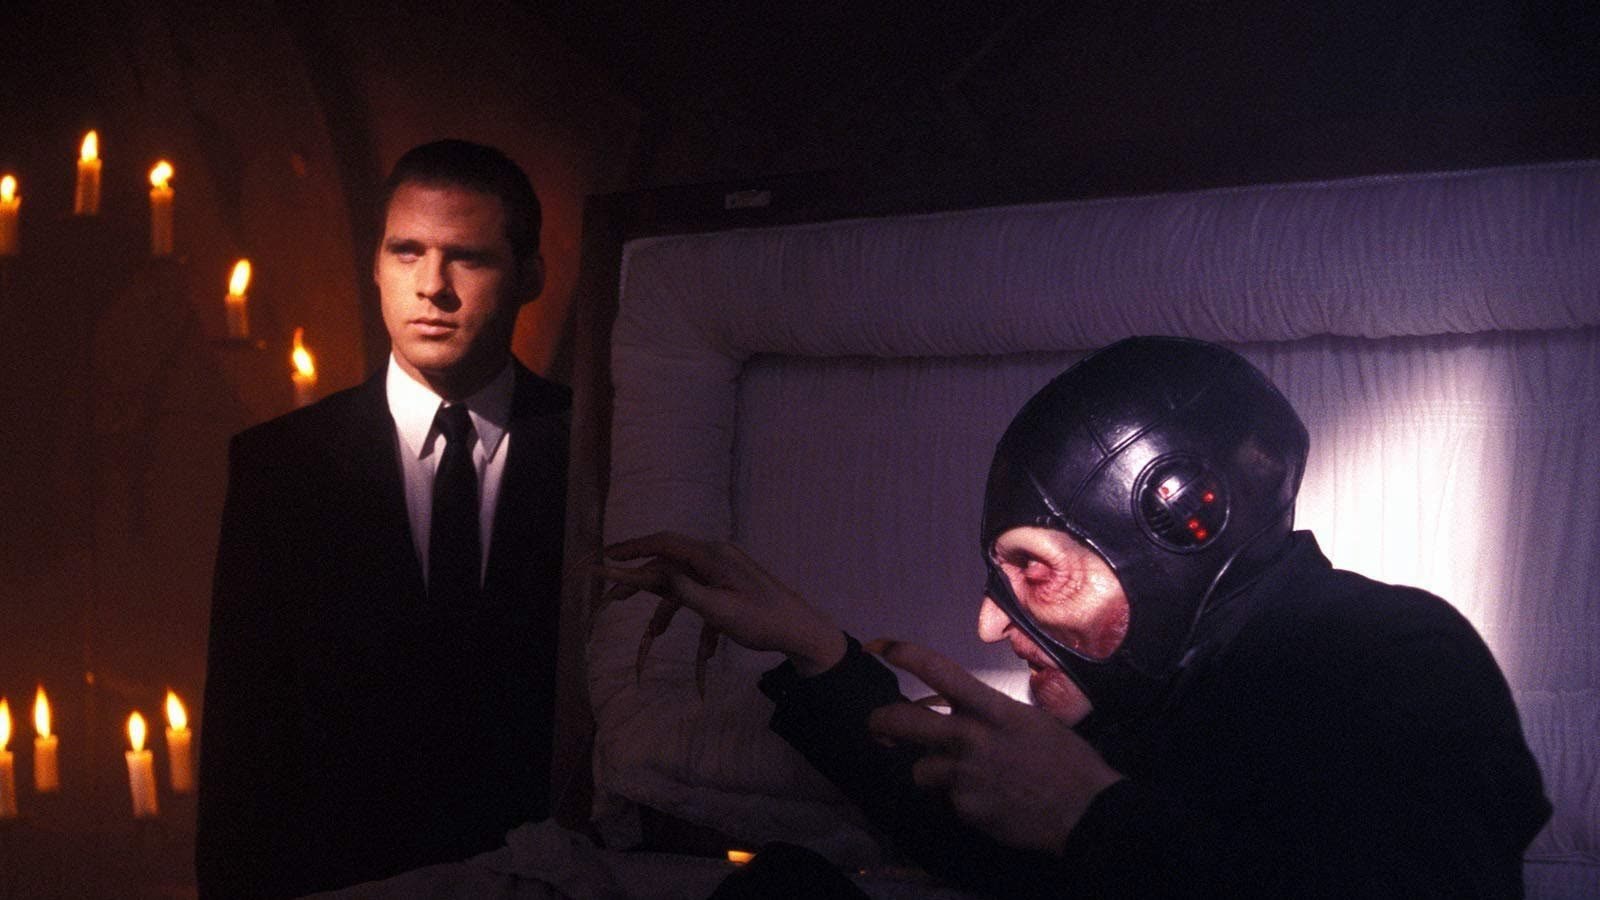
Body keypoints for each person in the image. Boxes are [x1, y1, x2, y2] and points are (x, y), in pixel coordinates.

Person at [604, 336, 1551, 897]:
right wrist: (815, 651)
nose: (989, 624)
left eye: (1035, 568)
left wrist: (1092, 819)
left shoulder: (1399, 660)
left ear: (1178, 528)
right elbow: (974, 834)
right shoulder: (1152, 695)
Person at [197, 140, 571, 899]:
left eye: (468, 258)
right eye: (407, 252)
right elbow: (245, 737)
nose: (431, 287)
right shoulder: (280, 465)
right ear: (375, 264)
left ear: (529, 276)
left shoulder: (595, 450)